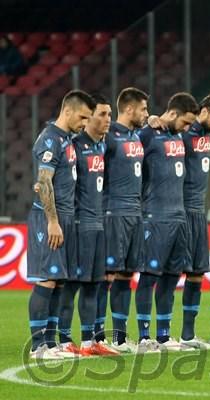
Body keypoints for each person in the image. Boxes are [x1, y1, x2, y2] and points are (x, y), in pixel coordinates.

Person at [27, 90, 94, 359]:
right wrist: (53, 221)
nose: (85, 123)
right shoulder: (50, 139)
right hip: (49, 219)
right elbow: (44, 181)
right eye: (82, 117)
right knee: (47, 280)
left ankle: (51, 343)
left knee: (59, 282)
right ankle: (38, 346)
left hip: (66, 217)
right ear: (67, 111)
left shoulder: (67, 139)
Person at [135, 92, 198, 352]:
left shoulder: (177, 136)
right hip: (155, 217)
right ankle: (143, 337)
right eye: (185, 122)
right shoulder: (147, 135)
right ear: (172, 113)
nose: (187, 128)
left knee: (171, 278)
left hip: (179, 217)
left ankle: (163, 335)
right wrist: (149, 120)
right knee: (149, 277)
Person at [56, 94, 118, 356]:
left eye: (110, 115)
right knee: (72, 285)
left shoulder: (102, 145)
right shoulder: (74, 145)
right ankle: (64, 341)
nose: (108, 120)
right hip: (79, 224)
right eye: (102, 114)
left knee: (94, 284)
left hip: (98, 224)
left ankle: (88, 342)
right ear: (88, 117)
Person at [100, 87, 149, 353]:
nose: (147, 113)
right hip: (114, 212)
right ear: (129, 109)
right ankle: (97, 336)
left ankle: (119, 337)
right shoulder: (109, 136)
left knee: (126, 275)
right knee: (107, 275)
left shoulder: (136, 136)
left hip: (135, 213)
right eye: (143, 109)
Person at [178, 93, 210, 350]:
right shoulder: (183, 135)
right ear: (204, 111)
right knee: (167, 274)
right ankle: (155, 336)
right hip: (179, 212)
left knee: (197, 274)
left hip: (199, 213)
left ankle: (188, 336)